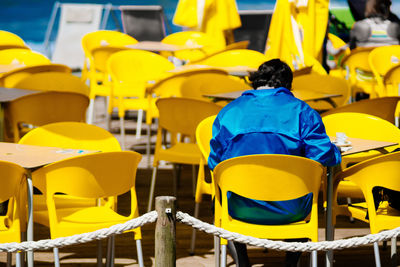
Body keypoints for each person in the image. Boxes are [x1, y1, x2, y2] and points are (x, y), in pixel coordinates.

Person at [208, 59, 342, 267]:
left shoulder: (229, 112)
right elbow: (322, 155)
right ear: (287, 85)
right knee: (306, 189)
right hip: (292, 207)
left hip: (240, 206)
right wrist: (336, 151)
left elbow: (215, 162)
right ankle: (290, 263)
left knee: (221, 196)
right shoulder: (301, 111)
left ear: (255, 83)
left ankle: (243, 262)